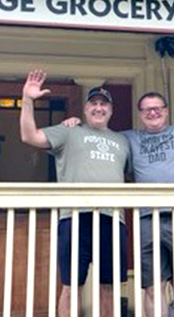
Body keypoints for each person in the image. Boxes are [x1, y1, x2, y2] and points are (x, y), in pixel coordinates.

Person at [65, 57, 174, 317]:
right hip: (146, 219)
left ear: (165, 111)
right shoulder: (128, 139)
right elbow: (99, 139)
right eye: (146, 110)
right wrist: (74, 125)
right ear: (140, 114)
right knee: (152, 286)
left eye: (157, 108)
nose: (152, 113)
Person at [20, 70, 130, 317]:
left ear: (111, 111)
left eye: (104, 104)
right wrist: (27, 100)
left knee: (108, 287)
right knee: (71, 286)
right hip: (74, 216)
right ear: (86, 109)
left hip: (112, 218)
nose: (99, 108)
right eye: (94, 103)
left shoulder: (123, 141)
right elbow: (29, 136)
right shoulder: (68, 131)